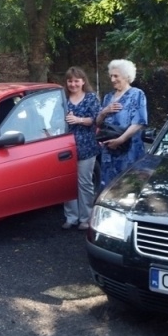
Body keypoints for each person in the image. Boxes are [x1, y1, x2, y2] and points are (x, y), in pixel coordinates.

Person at [96, 59, 148, 188]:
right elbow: (98, 123)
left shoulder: (137, 94)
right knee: (109, 188)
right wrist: (104, 112)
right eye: (111, 76)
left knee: (128, 188)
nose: (112, 79)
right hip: (109, 152)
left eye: (116, 76)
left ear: (126, 76)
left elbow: (139, 122)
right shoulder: (108, 97)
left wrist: (120, 140)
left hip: (129, 150)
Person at [61, 67, 101, 230]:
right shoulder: (62, 98)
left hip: (87, 147)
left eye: (76, 81)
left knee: (84, 183)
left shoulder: (91, 98)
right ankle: (71, 217)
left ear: (83, 81)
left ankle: (86, 218)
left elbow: (96, 120)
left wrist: (78, 120)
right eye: (70, 81)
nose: (73, 84)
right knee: (67, 183)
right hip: (65, 149)